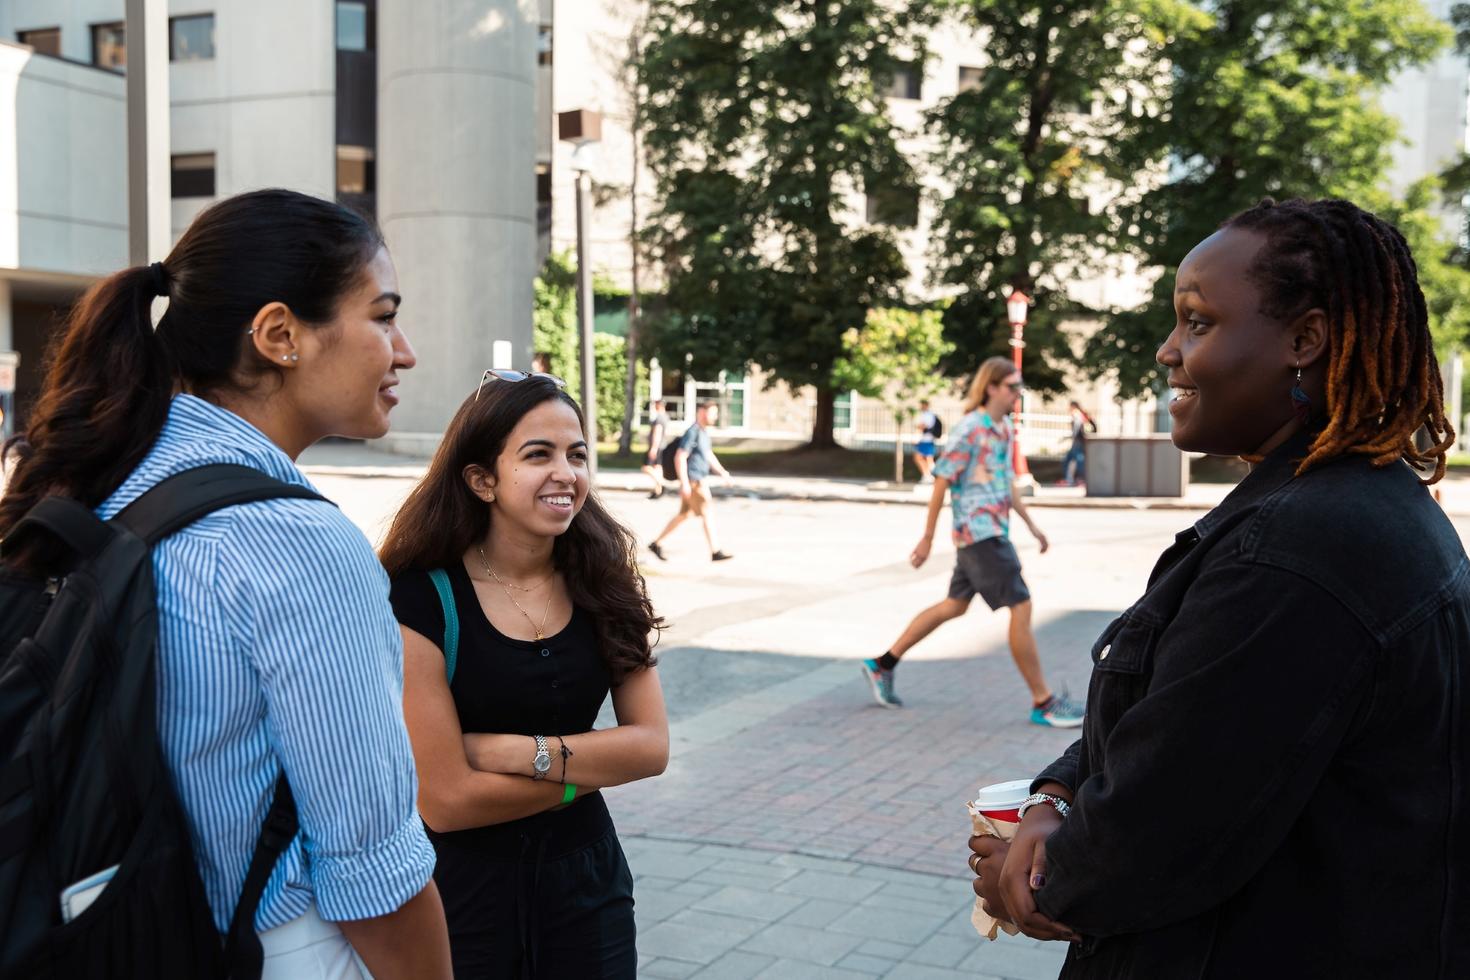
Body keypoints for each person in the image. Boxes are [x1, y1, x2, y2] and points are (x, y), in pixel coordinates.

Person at [968, 199, 1470, 977]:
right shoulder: (1348, 507)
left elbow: (1153, 832)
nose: (1169, 351)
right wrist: (1055, 797)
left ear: (1304, 340)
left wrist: (1029, 881)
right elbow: (1176, 722)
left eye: (1197, 322)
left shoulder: (1304, 552)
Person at [0, 190, 451, 978]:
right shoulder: (299, 545)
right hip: (264, 947)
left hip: (84, 927)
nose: (403, 350)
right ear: (280, 335)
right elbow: (373, 868)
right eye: (382, 316)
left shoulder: (93, 479)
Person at [379, 370, 669, 979]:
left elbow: (651, 746)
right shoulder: (420, 600)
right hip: (463, 895)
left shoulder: (602, 581)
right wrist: (589, 772)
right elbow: (448, 802)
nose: (565, 473)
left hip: (590, 887)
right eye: (538, 455)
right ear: (482, 480)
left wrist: (518, 752)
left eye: (577, 454)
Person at [861, 357, 1083, 726]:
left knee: (954, 606)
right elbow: (941, 480)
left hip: (993, 530)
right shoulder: (969, 430)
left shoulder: (1004, 429)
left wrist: (1032, 526)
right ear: (991, 387)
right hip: (979, 534)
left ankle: (882, 664)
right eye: (1012, 387)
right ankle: (1043, 702)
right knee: (1022, 606)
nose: (1017, 394)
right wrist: (927, 538)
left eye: (1019, 388)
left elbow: (1006, 483)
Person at [647, 400, 733, 561]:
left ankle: (656, 543)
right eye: (712, 412)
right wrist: (685, 483)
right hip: (694, 481)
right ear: (702, 412)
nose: (715, 416)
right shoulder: (692, 432)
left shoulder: (703, 432)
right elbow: (680, 456)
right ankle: (715, 551)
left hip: (696, 480)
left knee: (684, 514)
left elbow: (708, 455)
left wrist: (722, 473)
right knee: (707, 511)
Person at [1058, 401, 1095, 487]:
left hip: (1077, 441)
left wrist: (1072, 436)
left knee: (1075, 460)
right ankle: (1072, 478)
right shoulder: (1082, 414)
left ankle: (1077, 479)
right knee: (1074, 460)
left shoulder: (1076, 413)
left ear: (1073, 406)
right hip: (1080, 441)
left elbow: (1076, 427)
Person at [640, 397, 671, 498]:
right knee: (658, 468)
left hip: (656, 446)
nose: (654, 406)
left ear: (660, 405)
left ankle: (662, 484)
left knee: (646, 468)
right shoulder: (666, 416)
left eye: (656, 404)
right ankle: (658, 491)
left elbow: (657, 433)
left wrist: (653, 448)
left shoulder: (659, 418)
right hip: (662, 446)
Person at [914, 399, 940, 483]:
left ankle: (931, 475)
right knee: (926, 459)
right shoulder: (925, 414)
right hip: (925, 440)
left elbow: (922, 426)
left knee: (924, 458)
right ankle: (928, 475)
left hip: (927, 440)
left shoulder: (928, 415)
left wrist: (918, 427)